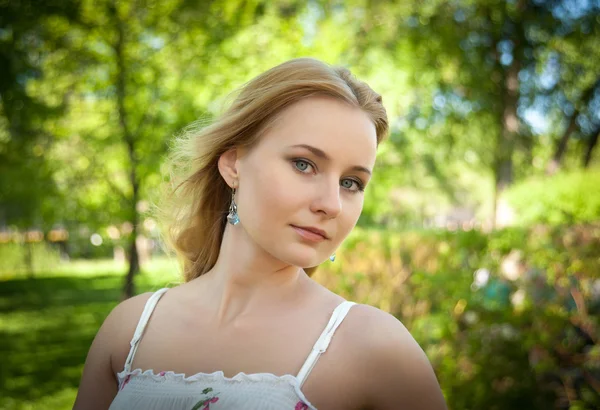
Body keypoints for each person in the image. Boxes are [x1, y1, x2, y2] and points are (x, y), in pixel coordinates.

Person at [74, 58, 447, 410]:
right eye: (304, 164)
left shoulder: (376, 348)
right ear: (234, 164)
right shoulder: (130, 330)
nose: (331, 204)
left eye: (351, 182)